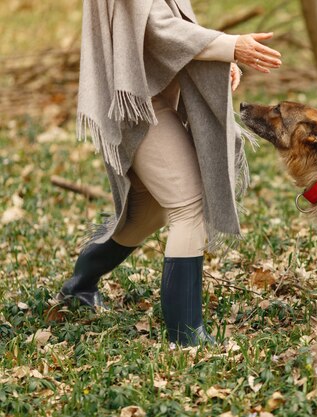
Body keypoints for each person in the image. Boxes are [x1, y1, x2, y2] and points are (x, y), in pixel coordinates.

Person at [56, 0, 281, 347]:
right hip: (137, 106)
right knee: (188, 206)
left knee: (146, 214)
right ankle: (185, 334)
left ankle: (78, 287)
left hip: (152, 99)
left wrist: (216, 58)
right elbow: (158, 29)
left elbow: (166, 30)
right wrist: (227, 45)